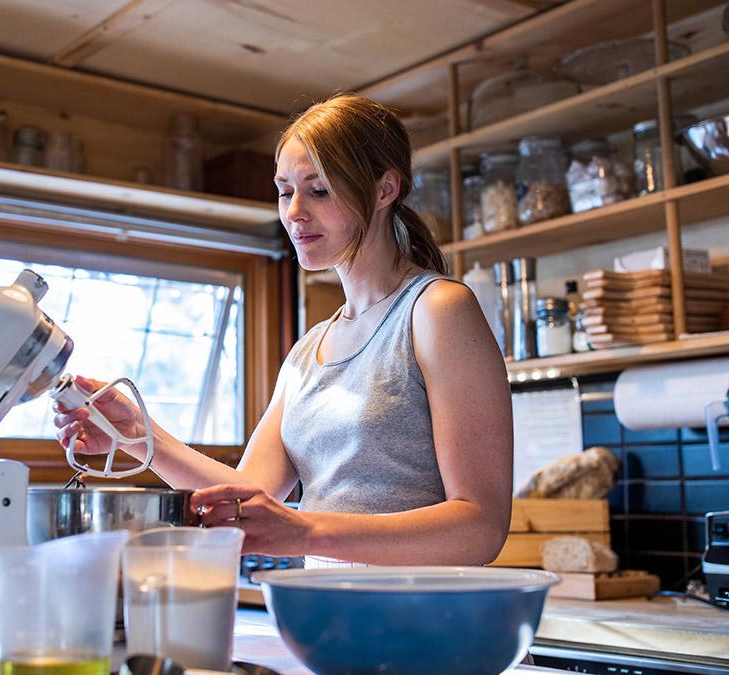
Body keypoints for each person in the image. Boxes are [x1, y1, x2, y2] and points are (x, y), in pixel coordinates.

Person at [53, 93, 512, 566]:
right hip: (327, 624)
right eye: (284, 190)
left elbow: (480, 526)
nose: (293, 212)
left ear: (384, 190)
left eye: (319, 190)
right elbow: (245, 496)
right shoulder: (308, 351)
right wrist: (137, 435)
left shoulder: (437, 310)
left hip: (427, 629)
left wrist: (305, 528)